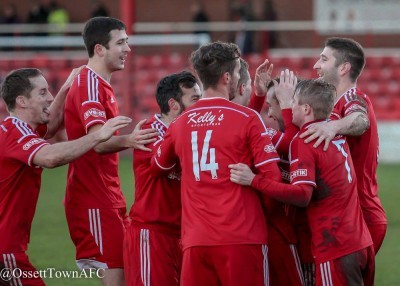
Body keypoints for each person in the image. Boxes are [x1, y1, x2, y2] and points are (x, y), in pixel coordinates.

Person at [150, 41, 280, 286]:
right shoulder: (248, 118)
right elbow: (273, 180)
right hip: (242, 238)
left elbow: (158, 166)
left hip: (196, 241)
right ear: (228, 76)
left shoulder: (179, 123)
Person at [230, 79, 375, 286]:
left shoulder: (305, 139)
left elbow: (302, 195)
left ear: (306, 108)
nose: (289, 105)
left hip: (335, 246)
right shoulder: (333, 126)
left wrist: (253, 180)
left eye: (293, 102)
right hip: (360, 241)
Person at [0, 68, 131, 286]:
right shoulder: (16, 133)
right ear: (22, 101)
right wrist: (98, 135)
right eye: (42, 93)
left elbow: (51, 125)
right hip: (5, 250)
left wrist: (65, 88)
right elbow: (51, 157)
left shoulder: (18, 129)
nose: (49, 97)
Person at [64, 17, 158, 286]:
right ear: (99, 49)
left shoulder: (98, 84)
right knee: (118, 278)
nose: (128, 48)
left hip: (107, 195)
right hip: (93, 199)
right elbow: (97, 140)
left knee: (127, 275)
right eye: (121, 42)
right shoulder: (89, 85)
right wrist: (132, 140)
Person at [302, 37, 387, 254]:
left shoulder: (353, 97)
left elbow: (360, 120)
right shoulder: (334, 103)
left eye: (323, 59)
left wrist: (333, 127)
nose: (316, 65)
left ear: (343, 68)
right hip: (349, 216)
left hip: (359, 215)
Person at [124, 71, 201, 286]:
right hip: (152, 235)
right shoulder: (149, 132)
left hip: (183, 235)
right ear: (174, 104)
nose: (202, 105)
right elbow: (164, 163)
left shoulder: (191, 133)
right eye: (195, 99)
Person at [233, 59, 304, 286]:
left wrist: (284, 103)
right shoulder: (271, 136)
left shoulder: (311, 136)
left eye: (273, 107)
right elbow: (243, 124)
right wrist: (260, 95)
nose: (270, 114)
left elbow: (294, 144)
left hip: (304, 233)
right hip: (275, 231)